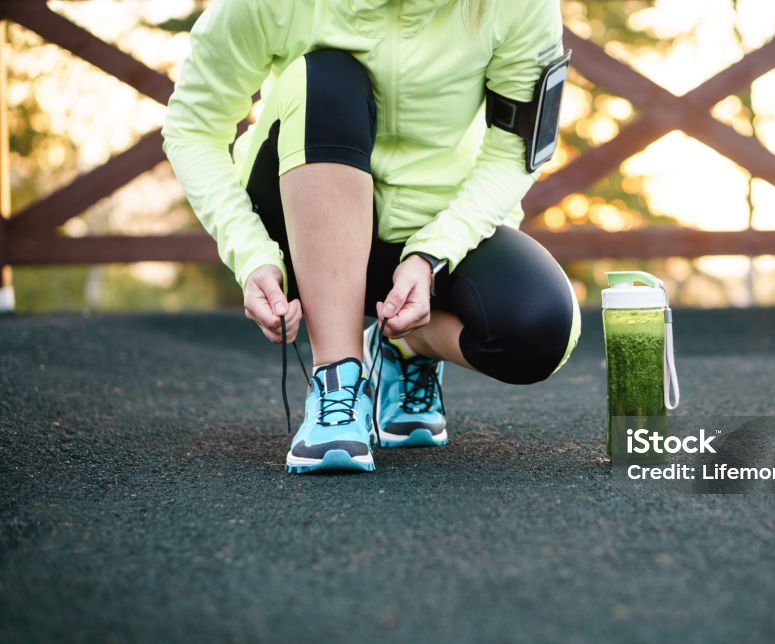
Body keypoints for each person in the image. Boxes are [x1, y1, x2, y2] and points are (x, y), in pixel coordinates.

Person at [162, 0, 581, 474]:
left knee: (539, 330)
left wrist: (431, 254)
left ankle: (405, 345)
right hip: (299, 222)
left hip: (436, 228)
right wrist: (252, 253)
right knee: (330, 78)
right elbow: (192, 127)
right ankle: (337, 381)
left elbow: (514, 153)